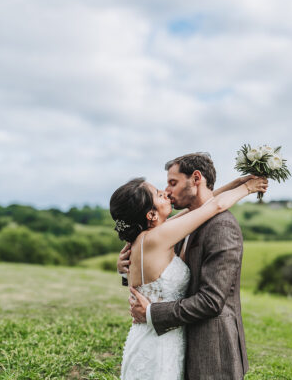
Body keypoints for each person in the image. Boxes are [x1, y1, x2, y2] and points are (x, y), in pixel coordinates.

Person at [111, 160, 267, 380]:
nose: (166, 193)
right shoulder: (159, 237)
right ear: (151, 215)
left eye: (169, 185)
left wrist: (235, 183)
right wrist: (248, 188)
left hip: (157, 338)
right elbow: (214, 206)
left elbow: (200, 207)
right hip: (158, 344)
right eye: (158, 194)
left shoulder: (149, 237)